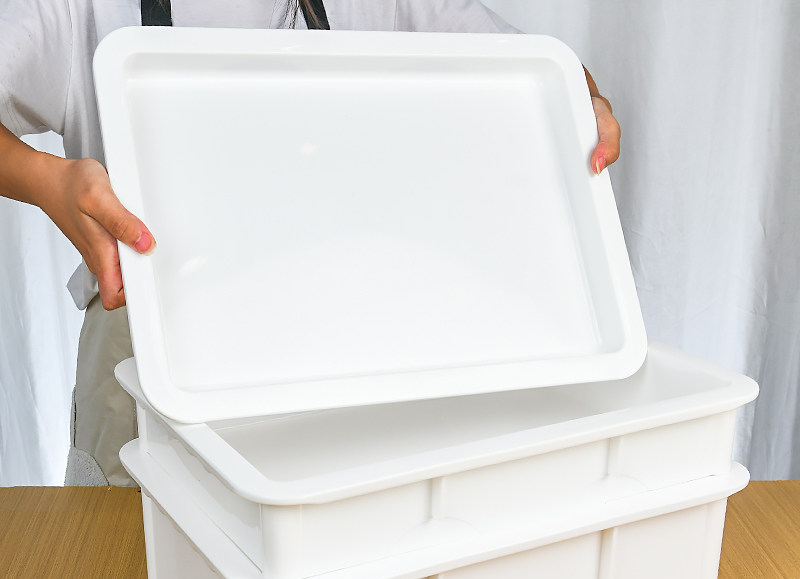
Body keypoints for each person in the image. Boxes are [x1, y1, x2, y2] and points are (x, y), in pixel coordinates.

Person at [0, 0, 622, 487]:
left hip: (344, 355)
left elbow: (541, 72)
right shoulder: (79, 9)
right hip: (147, 369)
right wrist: (49, 182)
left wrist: (583, 103)